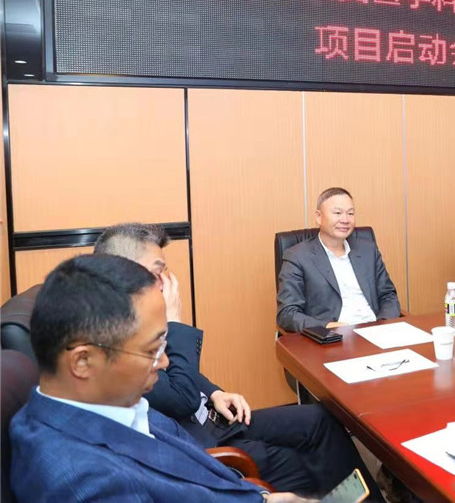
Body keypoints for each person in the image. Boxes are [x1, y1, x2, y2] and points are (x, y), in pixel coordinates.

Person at [94, 223, 380, 500]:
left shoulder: (138, 318)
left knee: (320, 419)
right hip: (203, 443)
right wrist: (175, 323)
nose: (168, 282)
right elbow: (180, 398)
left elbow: (173, 372)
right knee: (305, 464)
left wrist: (214, 392)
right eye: (158, 272)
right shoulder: (113, 342)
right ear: (122, 276)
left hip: (216, 416)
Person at [9, 254, 306, 502]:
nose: (164, 362)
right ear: (83, 361)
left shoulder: (112, 401)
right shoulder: (87, 484)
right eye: (152, 351)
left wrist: (262, 497)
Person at [277, 187, 401, 331]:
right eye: (337, 213)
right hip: (334, 336)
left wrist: (383, 324)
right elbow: (287, 313)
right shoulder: (298, 256)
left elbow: (388, 295)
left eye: (350, 213)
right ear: (318, 217)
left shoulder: (368, 250)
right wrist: (326, 327)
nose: (345, 220)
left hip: (375, 329)